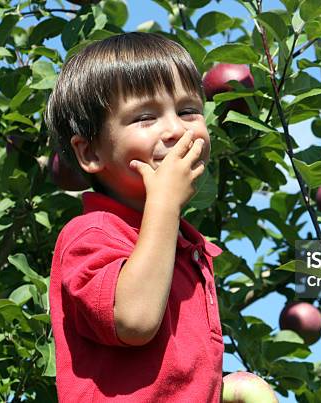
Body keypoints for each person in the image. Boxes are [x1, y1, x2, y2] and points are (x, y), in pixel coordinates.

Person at [45, 32, 224, 402]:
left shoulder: (185, 248)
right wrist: (165, 205)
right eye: (145, 117)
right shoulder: (91, 233)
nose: (177, 129)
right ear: (91, 151)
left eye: (189, 110)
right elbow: (134, 320)